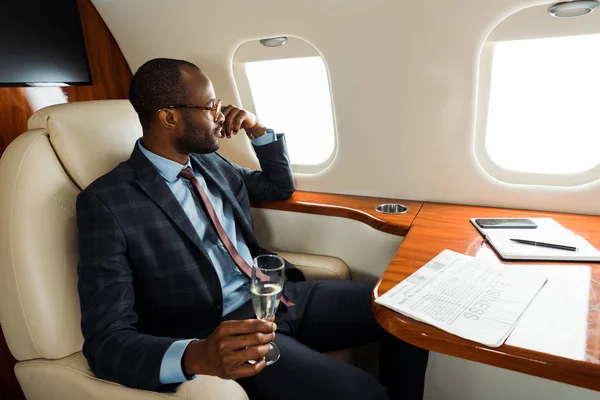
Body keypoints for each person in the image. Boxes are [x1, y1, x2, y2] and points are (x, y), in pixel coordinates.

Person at [76, 58, 428, 400]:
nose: (219, 116)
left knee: (406, 312)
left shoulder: (208, 161)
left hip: (278, 295)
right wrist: (199, 355)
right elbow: (105, 340)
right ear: (169, 117)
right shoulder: (108, 202)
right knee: (362, 393)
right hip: (226, 328)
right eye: (210, 106)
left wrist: (258, 129)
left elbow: (278, 187)